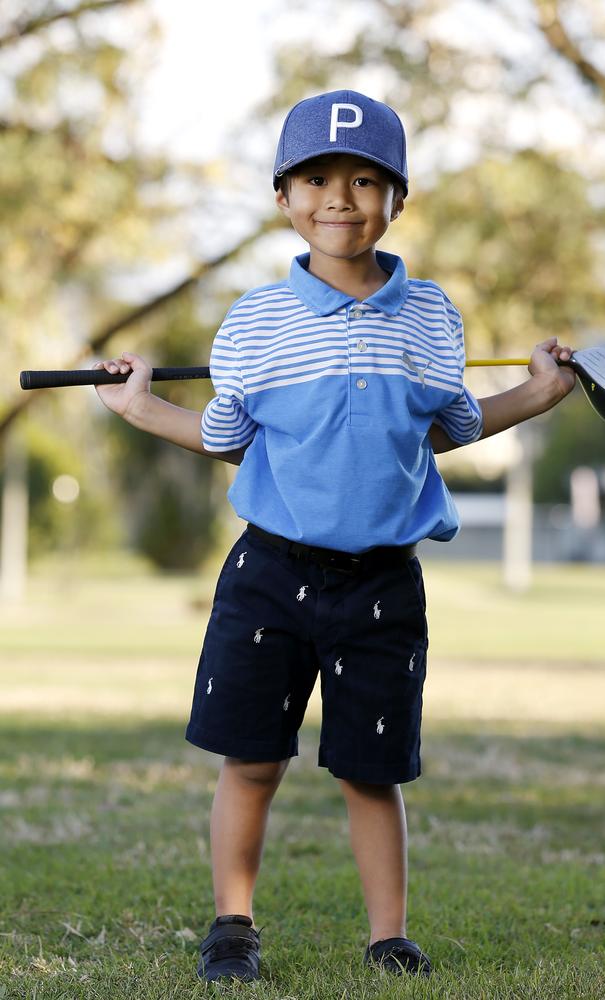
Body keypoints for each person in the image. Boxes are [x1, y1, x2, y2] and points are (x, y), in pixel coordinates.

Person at [93, 90, 576, 984]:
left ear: (399, 197)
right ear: (284, 197)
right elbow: (225, 438)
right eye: (316, 178)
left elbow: (445, 428)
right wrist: (136, 402)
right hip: (270, 575)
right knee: (253, 762)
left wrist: (543, 392)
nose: (340, 198)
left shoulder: (432, 318)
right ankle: (232, 925)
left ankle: (388, 934)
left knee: (370, 769)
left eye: (365, 180)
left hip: (383, 583)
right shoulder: (253, 322)